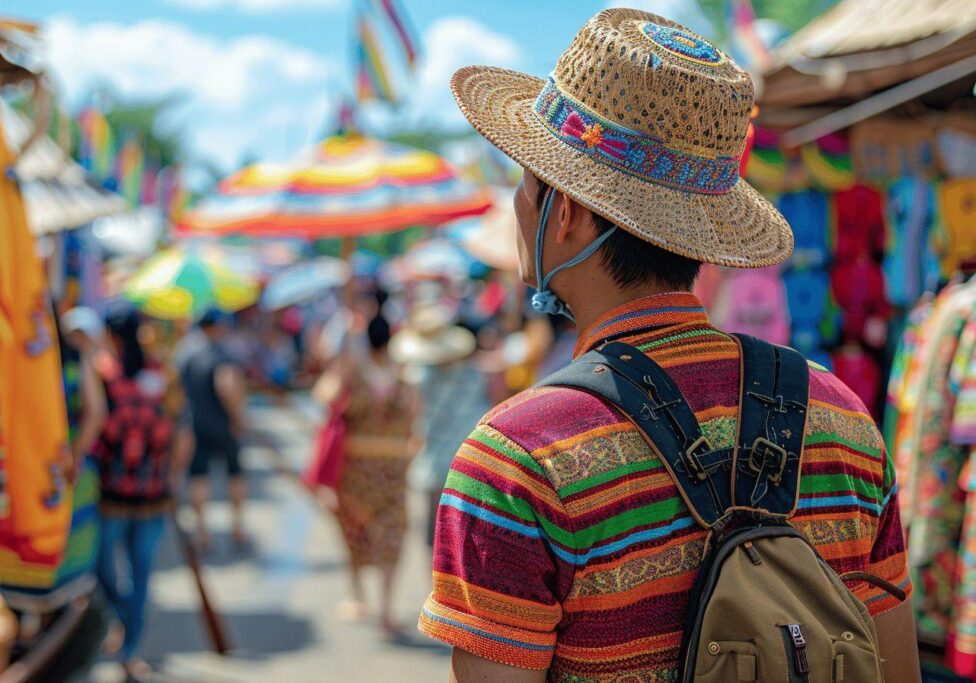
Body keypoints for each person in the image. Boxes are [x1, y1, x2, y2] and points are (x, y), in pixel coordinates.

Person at [417, 9, 920, 683]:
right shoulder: (843, 419)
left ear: (564, 212)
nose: (516, 204)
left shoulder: (517, 461)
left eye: (527, 181)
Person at [315, 299, 417, 635]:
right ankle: (387, 607)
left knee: (353, 528)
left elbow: (324, 398)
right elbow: (415, 415)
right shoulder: (403, 376)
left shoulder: (352, 374)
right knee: (392, 535)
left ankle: (358, 597)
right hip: (392, 467)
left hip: (356, 466)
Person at [92, 305, 176, 682]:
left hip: (116, 493)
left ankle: (128, 635)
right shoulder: (158, 376)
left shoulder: (104, 376)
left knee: (106, 569)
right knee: (136, 575)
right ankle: (130, 636)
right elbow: (180, 431)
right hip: (150, 493)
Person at [391, 306, 489, 545]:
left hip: (434, 457)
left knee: (434, 535)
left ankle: (434, 580)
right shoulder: (473, 374)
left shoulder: (417, 376)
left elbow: (408, 412)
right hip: (468, 456)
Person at [179, 309, 248, 552]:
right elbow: (227, 385)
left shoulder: (186, 353)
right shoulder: (221, 354)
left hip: (196, 425)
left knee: (199, 477)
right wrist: (238, 417)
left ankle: (201, 531)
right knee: (234, 474)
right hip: (223, 425)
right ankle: (237, 527)